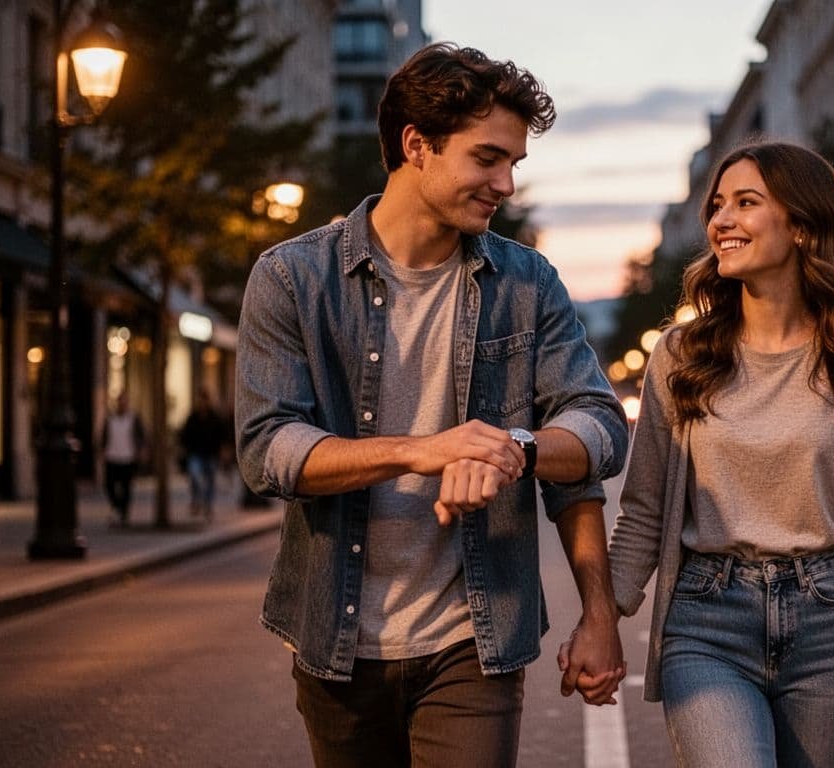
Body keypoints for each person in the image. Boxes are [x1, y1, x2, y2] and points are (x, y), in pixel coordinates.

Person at [235, 43, 630, 768]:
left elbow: (598, 428)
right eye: (488, 158)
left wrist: (514, 448)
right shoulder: (293, 278)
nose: (506, 183)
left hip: (472, 640)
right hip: (336, 641)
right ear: (417, 145)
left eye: (514, 162)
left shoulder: (526, 283)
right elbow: (268, 451)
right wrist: (422, 450)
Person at [594, 142, 834, 767]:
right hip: (707, 620)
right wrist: (600, 618)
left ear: (801, 225)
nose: (721, 221)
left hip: (833, 627)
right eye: (717, 206)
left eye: (745, 203)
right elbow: (643, 511)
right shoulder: (681, 356)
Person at [100, 392, 147, 527]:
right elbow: (104, 436)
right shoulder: (110, 418)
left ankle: (124, 514)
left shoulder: (134, 418)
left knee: (126, 488)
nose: (122, 404)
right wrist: (102, 450)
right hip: (112, 456)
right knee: (109, 485)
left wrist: (141, 450)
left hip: (128, 457)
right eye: (120, 401)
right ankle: (117, 506)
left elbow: (141, 435)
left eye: (124, 401)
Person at [179, 389, 225, 522]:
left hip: (211, 454)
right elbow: (184, 434)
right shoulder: (192, 417)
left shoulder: (214, 417)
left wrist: (223, 450)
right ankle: (196, 500)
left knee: (210, 480)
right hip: (195, 453)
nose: (201, 403)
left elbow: (221, 434)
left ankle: (207, 505)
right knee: (194, 476)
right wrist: (185, 448)